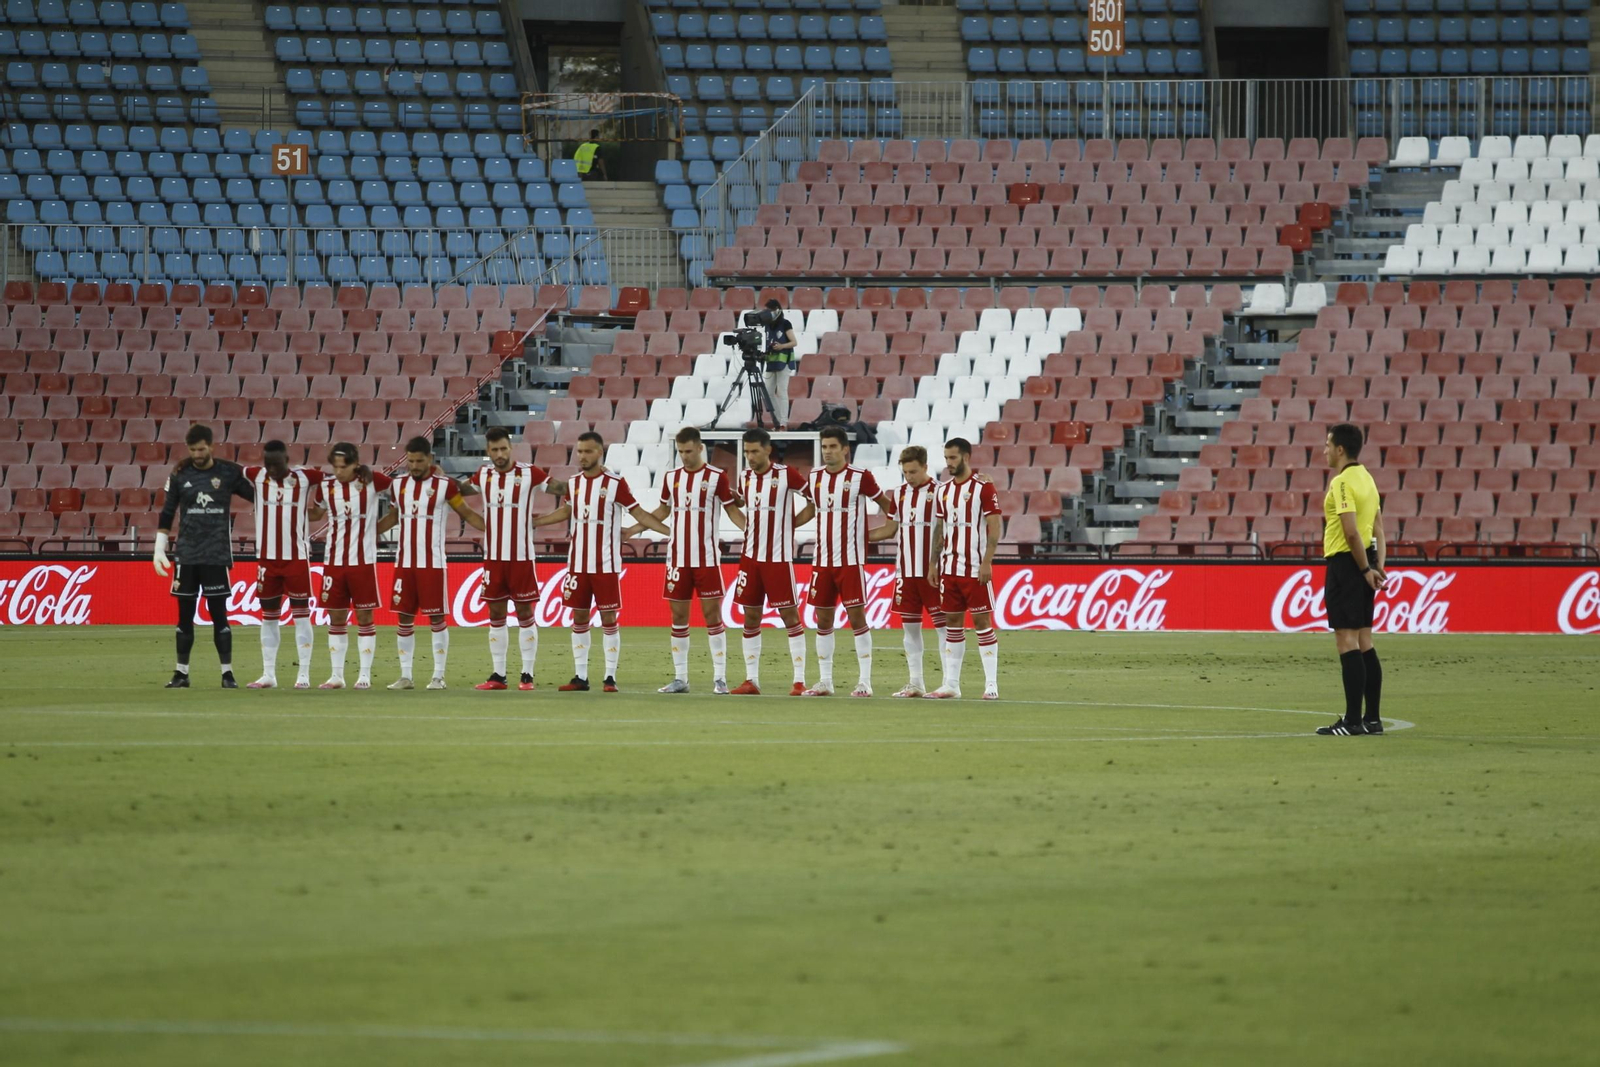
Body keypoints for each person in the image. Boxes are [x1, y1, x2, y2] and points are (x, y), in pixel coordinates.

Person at [541, 431, 671, 692]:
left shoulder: (615, 483)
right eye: (579, 451)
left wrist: (669, 531)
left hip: (606, 563)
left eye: (587, 451)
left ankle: (610, 677)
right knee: (578, 617)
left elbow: (639, 513)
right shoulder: (574, 483)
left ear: (599, 453)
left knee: (608, 618)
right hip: (577, 564)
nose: (582, 456)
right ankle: (580, 677)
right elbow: (567, 511)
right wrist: (535, 522)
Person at [623, 426, 745, 694]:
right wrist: (633, 529)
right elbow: (664, 509)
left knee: (712, 616)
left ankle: (720, 678)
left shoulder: (717, 477)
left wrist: (752, 530)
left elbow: (733, 512)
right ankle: (681, 678)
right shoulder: (672, 477)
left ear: (700, 448)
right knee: (678, 617)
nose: (684, 456)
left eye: (688, 451)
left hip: (707, 559)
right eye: (680, 452)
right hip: (677, 559)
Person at [460, 427, 568, 691]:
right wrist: (438, 479)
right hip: (493, 558)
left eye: (503, 448)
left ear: (511, 448)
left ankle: (527, 675)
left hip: (521, 557)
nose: (499, 454)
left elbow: (558, 488)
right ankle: (498, 675)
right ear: (488, 451)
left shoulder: (529, 473)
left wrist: (584, 482)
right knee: (495, 613)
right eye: (494, 450)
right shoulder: (482, 475)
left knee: (524, 613)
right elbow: (459, 490)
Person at [375, 436, 485, 690]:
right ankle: (406, 676)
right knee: (403, 617)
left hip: (432, 563)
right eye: (410, 460)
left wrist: (493, 529)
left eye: (419, 461)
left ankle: (438, 676)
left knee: (436, 618)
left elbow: (466, 513)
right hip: (404, 562)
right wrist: (366, 533)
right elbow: (393, 517)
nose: (414, 465)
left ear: (430, 459)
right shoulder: (398, 485)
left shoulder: (445, 486)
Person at [155, 424, 254, 689]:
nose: (197, 454)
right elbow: (167, 511)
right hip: (186, 555)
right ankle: (181, 673)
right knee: (184, 616)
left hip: (216, 554)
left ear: (211, 446)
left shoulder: (227, 472)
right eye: (193, 450)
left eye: (201, 449)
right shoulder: (179, 473)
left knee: (219, 615)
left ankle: (227, 673)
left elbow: (255, 495)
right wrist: (159, 546)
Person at [802, 426, 896, 697]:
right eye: (824, 447)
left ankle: (865, 681)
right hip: (822, 560)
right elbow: (810, 508)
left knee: (857, 618)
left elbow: (886, 504)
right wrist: (788, 527)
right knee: (823, 620)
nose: (827, 451)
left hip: (851, 560)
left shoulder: (860, 477)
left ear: (845, 449)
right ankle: (825, 681)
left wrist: (893, 526)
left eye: (832, 446)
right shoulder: (815, 476)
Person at [727, 428, 815, 696]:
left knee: (790, 616)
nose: (750, 457)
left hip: (778, 559)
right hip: (750, 558)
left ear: (768, 449)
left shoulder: (786, 474)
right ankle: (751, 680)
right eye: (746, 452)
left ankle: (799, 681)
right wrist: (741, 519)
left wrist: (791, 525)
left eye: (754, 451)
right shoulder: (745, 477)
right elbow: (742, 504)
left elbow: (813, 500)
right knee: (750, 617)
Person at [1315, 422, 1388, 737]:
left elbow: (1350, 531)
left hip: (1347, 565)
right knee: (1364, 641)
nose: (1325, 450)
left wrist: (1362, 570)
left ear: (1340, 449)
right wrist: (1377, 568)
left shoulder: (1342, 482)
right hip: (1364, 564)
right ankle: (1372, 719)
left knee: (1346, 642)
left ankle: (1352, 721)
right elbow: (1379, 530)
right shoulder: (1368, 480)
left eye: (1328, 445)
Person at [241, 440, 326, 689]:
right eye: (267, 464)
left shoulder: (304, 478)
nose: (271, 469)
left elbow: (335, 478)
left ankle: (304, 675)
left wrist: (319, 505)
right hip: (267, 560)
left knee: (301, 617)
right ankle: (268, 674)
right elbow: (227, 469)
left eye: (276, 465)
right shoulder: (257, 475)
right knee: (268, 617)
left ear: (286, 461)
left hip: (296, 559)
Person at [868, 445, 949, 698]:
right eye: (905, 472)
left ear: (925, 467)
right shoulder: (900, 493)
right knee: (909, 628)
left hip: (933, 572)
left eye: (913, 471)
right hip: (906, 572)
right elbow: (890, 529)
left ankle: (949, 682)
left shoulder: (941, 492)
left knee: (943, 627)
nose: (909, 477)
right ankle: (915, 683)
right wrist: (858, 538)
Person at [926, 438, 1002, 701]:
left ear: (966, 457)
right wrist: (933, 563)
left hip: (974, 568)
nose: (949, 463)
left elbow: (995, 525)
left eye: (953, 458)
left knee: (982, 622)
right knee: (952, 623)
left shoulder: (983, 487)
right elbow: (939, 529)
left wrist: (987, 561)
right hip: (949, 568)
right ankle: (951, 684)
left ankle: (991, 684)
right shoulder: (942, 490)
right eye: (946, 458)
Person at [318, 441, 387, 690]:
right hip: (333, 562)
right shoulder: (326, 487)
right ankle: (337, 675)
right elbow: (315, 514)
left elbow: (405, 492)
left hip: (363, 562)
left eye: (343, 466)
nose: (338, 471)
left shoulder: (372, 481)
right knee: (335, 616)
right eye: (335, 466)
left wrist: (377, 529)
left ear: (355, 464)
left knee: (364, 616)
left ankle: (365, 675)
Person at [759, 299, 798, 427]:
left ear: (776, 310)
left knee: (782, 391)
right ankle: (776, 419)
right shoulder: (767, 325)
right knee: (768, 393)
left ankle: (783, 422)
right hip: (771, 361)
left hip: (784, 361)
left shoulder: (785, 323)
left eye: (769, 310)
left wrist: (781, 346)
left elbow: (794, 342)